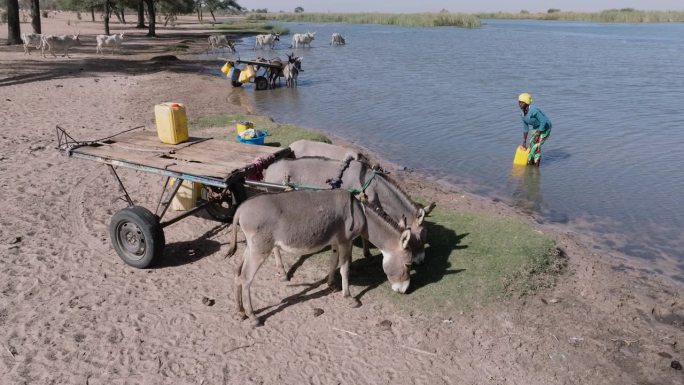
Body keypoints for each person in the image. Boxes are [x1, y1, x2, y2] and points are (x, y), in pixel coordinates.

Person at [518, 93, 552, 166]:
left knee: (536, 145)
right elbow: (525, 128)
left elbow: (543, 121)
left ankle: (536, 165)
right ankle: (531, 163)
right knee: (531, 143)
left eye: (522, 102)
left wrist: (538, 133)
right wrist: (524, 141)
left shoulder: (534, 111)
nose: (520, 104)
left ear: (527, 103)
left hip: (546, 128)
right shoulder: (522, 115)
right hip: (537, 129)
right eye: (519, 102)